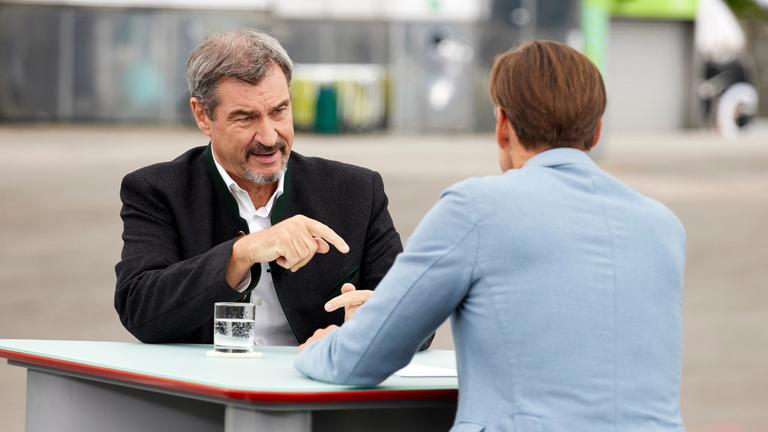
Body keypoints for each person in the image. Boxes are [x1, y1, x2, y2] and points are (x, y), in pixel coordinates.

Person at [295, 40, 687, 432]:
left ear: (502, 126)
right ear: (597, 131)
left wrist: (320, 348)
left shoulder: (475, 209)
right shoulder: (663, 226)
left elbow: (364, 356)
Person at [114, 29, 403, 346]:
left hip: (318, 376)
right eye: (245, 118)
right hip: (208, 378)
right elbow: (140, 310)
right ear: (202, 115)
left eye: (279, 111)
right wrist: (242, 253)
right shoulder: (157, 191)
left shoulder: (356, 191)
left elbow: (414, 314)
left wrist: (363, 334)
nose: (269, 137)